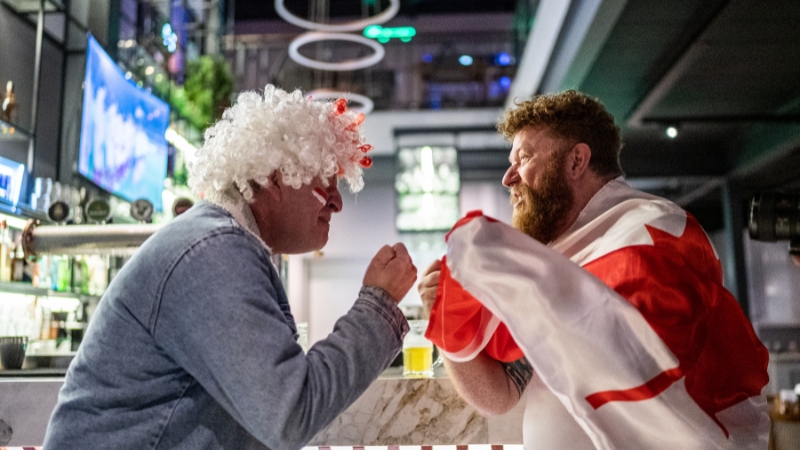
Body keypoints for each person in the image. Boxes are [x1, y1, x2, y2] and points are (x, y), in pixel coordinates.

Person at [44, 85, 417, 449]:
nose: (336, 202)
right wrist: (378, 304)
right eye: (324, 180)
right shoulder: (212, 252)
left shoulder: (219, 244)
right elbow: (290, 414)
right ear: (274, 178)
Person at [419, 90, 769, 449]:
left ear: (576, 161)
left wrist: (518, 294)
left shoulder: (653, 230)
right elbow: (499, 395)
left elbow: (636, 349)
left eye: (524, 157)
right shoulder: (564, 253)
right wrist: (447, 320)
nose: (509, 178)